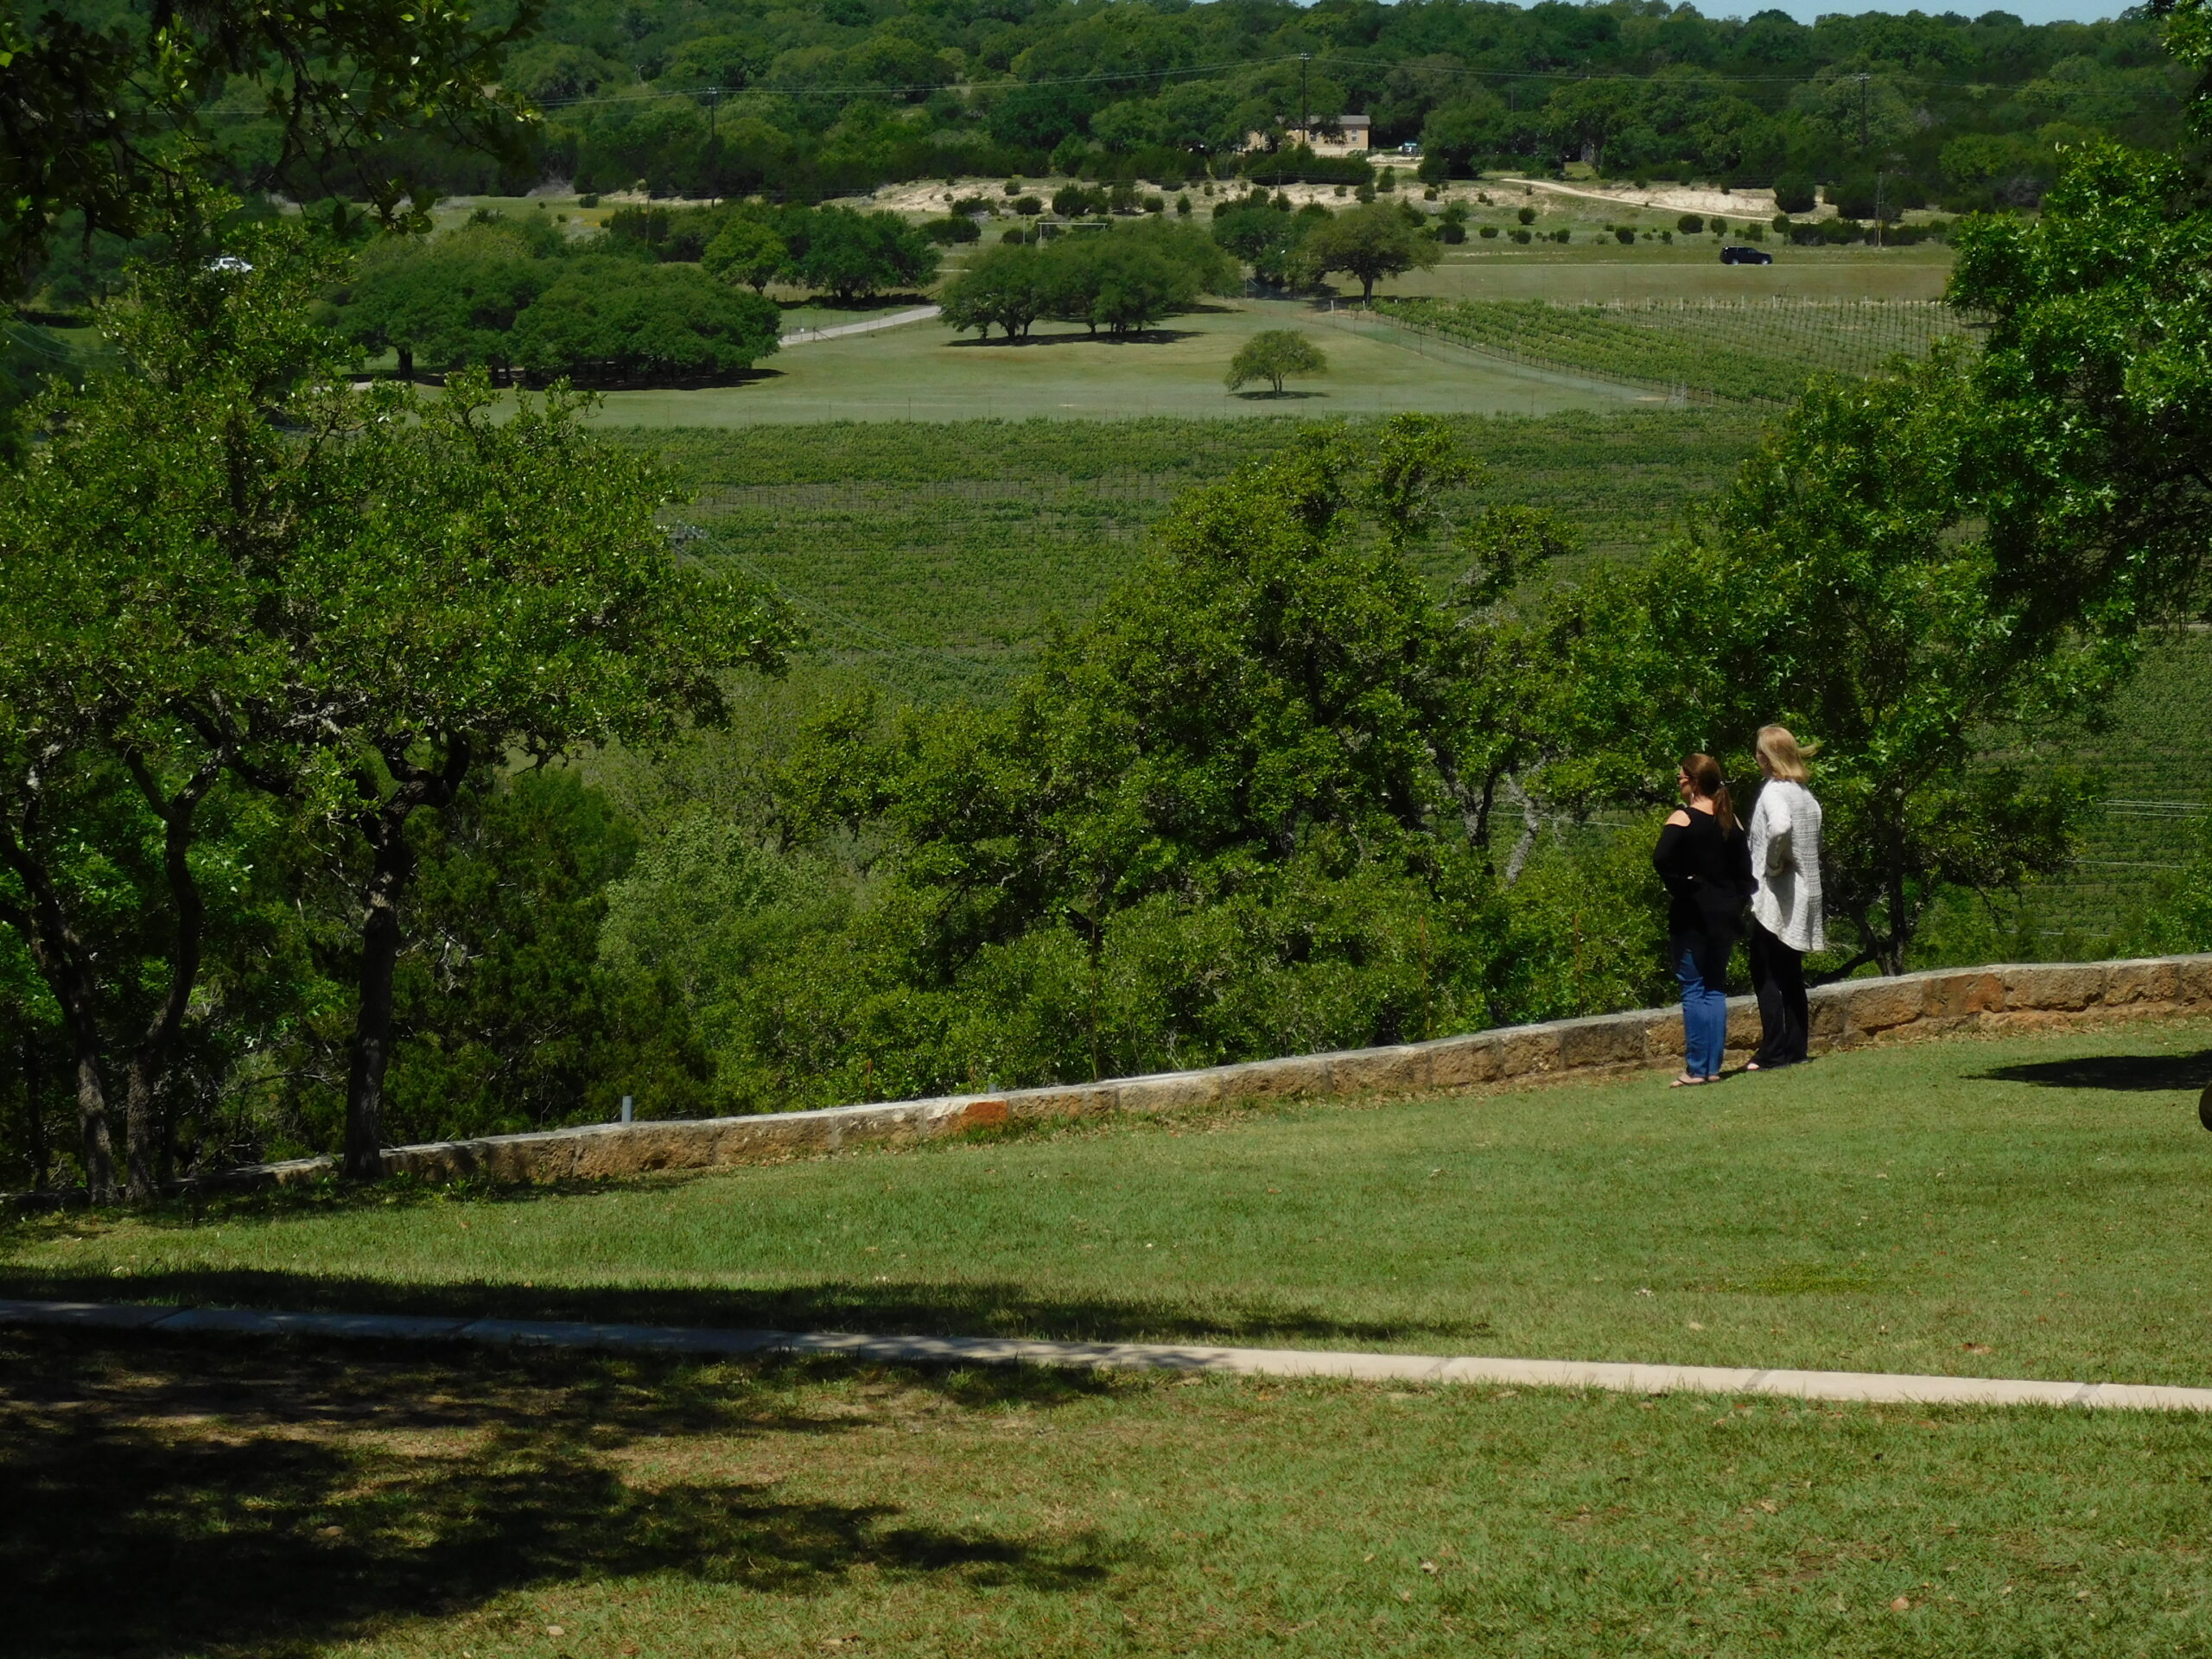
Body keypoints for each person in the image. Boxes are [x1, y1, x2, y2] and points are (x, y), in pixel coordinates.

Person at [1652, 753, 1751, 1085]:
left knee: (1693, 989)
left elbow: (1661, 859)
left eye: (1681, 777)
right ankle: (1712, 1068)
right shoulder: (1730, 820)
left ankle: (1696, 1068)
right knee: (1715, 989)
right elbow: (1745, 873)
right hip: (1726, 914)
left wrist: (1685, 886)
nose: (1679, 782)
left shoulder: (1683, 818)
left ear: (1693, 782)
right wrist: (1736, 899)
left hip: (1692, 916)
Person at [1745, 725, 1825, 1069]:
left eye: (1759, 751)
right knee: (1791, 973)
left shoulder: (1775, 792)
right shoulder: (1804, 793)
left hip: (1776, 895)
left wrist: (1774, 863)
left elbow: (1779, 827)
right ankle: (1797, 1049)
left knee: (1765, 973)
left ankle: (1773, 1051)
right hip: (1805, 892)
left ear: (1766, 756)